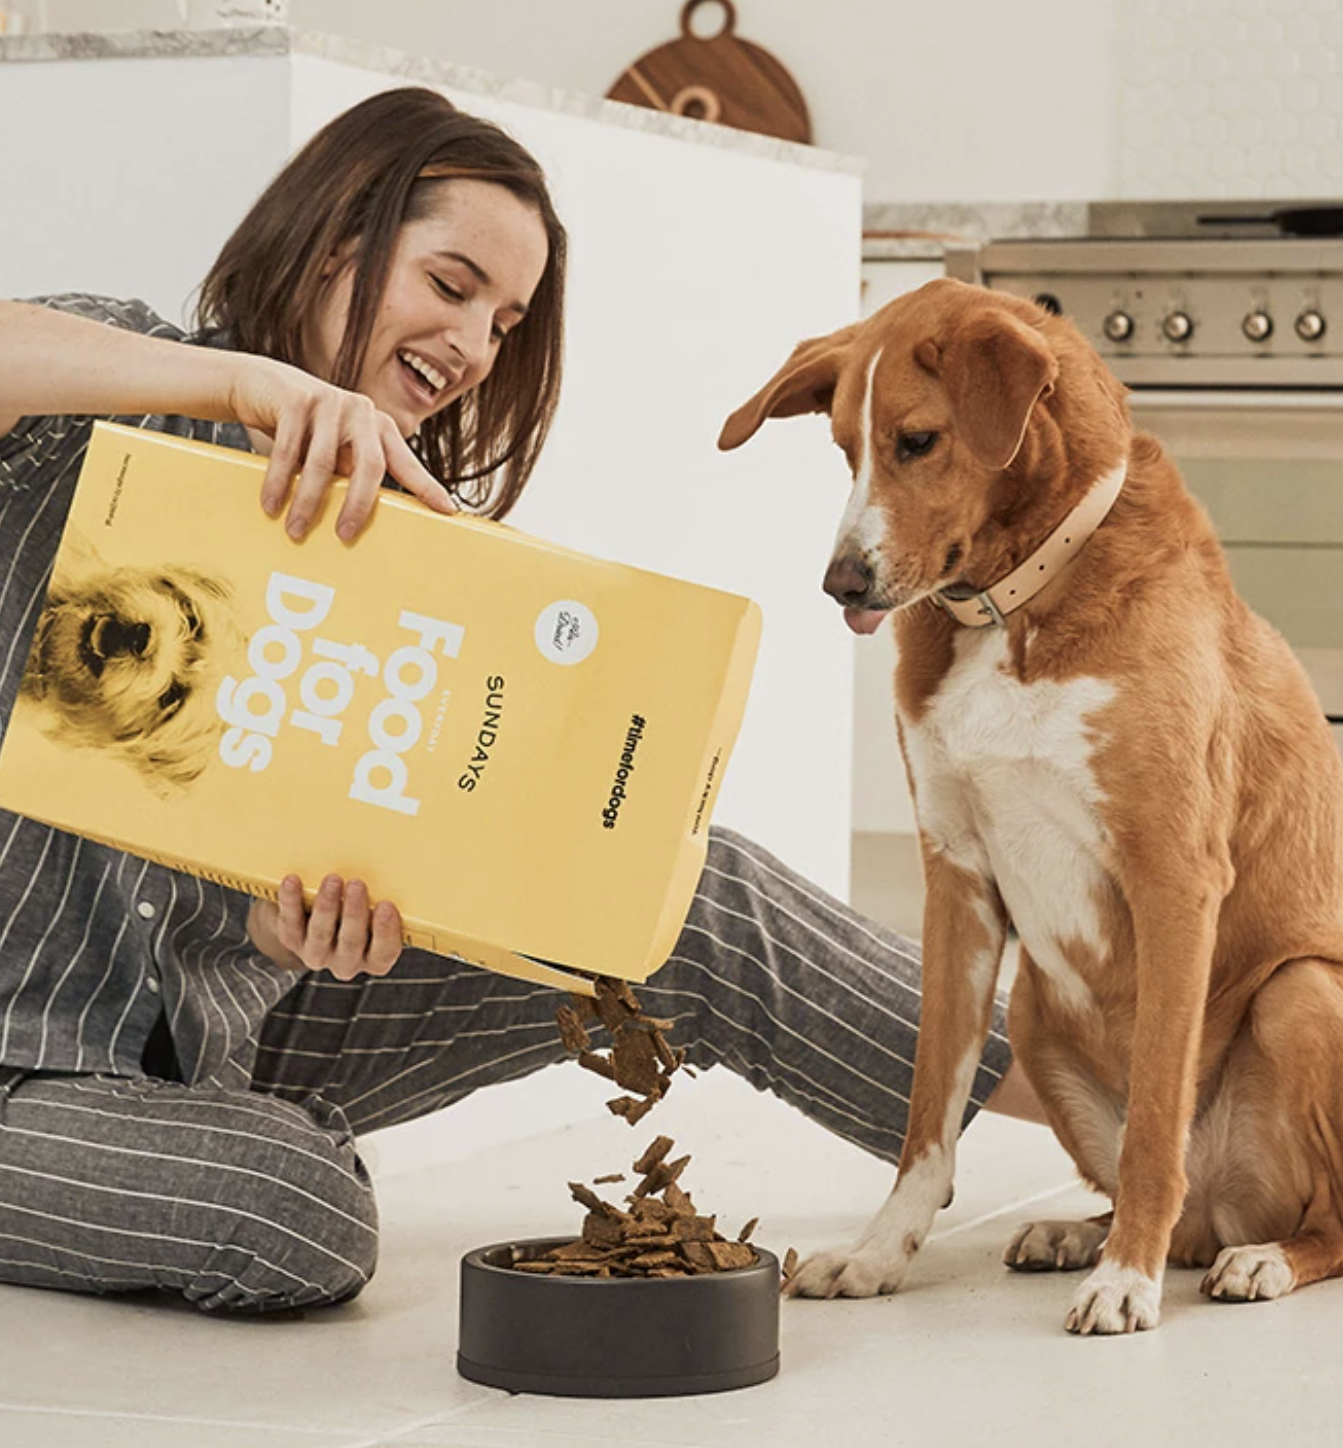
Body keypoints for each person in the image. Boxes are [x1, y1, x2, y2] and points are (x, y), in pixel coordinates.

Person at [0, 86, 1034, 1314]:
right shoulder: (117, 387)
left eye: (505, 320)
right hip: (24, 1058)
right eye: (450, 285)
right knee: (291, 1213)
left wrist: (296, 936)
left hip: (204, 1039)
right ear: (339, 240)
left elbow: (235, 909)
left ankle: (1132, 1112)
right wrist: (246, 388)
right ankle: (176, 1162)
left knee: (686, 899)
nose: (478, 346)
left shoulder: (386, 536)